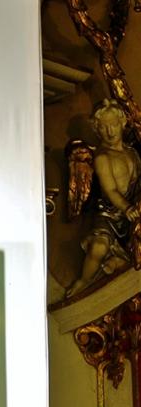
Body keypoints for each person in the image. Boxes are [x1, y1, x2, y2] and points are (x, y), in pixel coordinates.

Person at [67, 99, 141, 297]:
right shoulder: (102, 157)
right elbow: (110, 190)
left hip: (132, 213)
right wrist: (126, 208)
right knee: (99, 247)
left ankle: (119, 262)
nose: (110, 131)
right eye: (104, 127)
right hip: (109, 214)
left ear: (123, 123)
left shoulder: (134, 153)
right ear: (97, 129)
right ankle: (83, 281)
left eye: (114, 124)